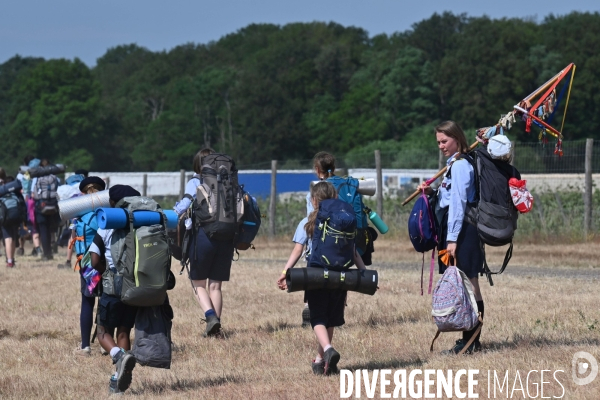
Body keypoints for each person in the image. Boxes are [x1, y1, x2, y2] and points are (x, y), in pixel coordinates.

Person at [278, 181, 367, 375]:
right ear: (336, 197)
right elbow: (354, 253)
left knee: (318, 316)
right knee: (331, 318)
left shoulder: (308, 222)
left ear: (314, 200)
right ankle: (321, 361)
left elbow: (298, 250)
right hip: (341, 275)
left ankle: (327, 350)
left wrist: (286, 273)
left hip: (317, 274)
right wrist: (364, 274)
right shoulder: (344, 220)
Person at [417, 120, 485, 355]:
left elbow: (458, 204)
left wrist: (453, 239)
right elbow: (449, 197)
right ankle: (468, 340)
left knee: (469, 284)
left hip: (463, 231)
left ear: (457, 138)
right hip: (455, 230)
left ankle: (471, 342)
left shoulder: (460, 166)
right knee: (462, 285)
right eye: (438, 142)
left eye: (444, 141)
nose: (441, 146)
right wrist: (432, 192)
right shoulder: (453, 165)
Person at [174, 148, 236, 338]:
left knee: (197, 282)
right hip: (227, 237)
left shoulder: (195, 182)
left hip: (203, 236)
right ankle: (216, 331)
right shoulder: (228, 181)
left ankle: (210, 318)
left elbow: (182, 208)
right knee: (215, 286)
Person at [89, 184, 140, 394]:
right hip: (135, 286)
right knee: (124, 331)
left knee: (102, 332)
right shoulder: (139, 224)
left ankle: (119, 356)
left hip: (112, 286)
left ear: (112, 204)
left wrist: (107, 272)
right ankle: (119, 377)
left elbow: (93, 260)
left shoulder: (106, 226)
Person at [71, 176, 106, 356]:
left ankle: (85, 346)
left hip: (87, 264)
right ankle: (105, 344)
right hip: (106, 261)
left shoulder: (79, 214)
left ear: (83, 194)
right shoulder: (106, 211)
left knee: (88, 301)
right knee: (106, 301)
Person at [0, 170, 24, 268]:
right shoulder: (11, 184)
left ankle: (9, 261)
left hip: (4, 215)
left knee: (7, 237)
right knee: (13, 237)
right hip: (14, 213)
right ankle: (12, 259)